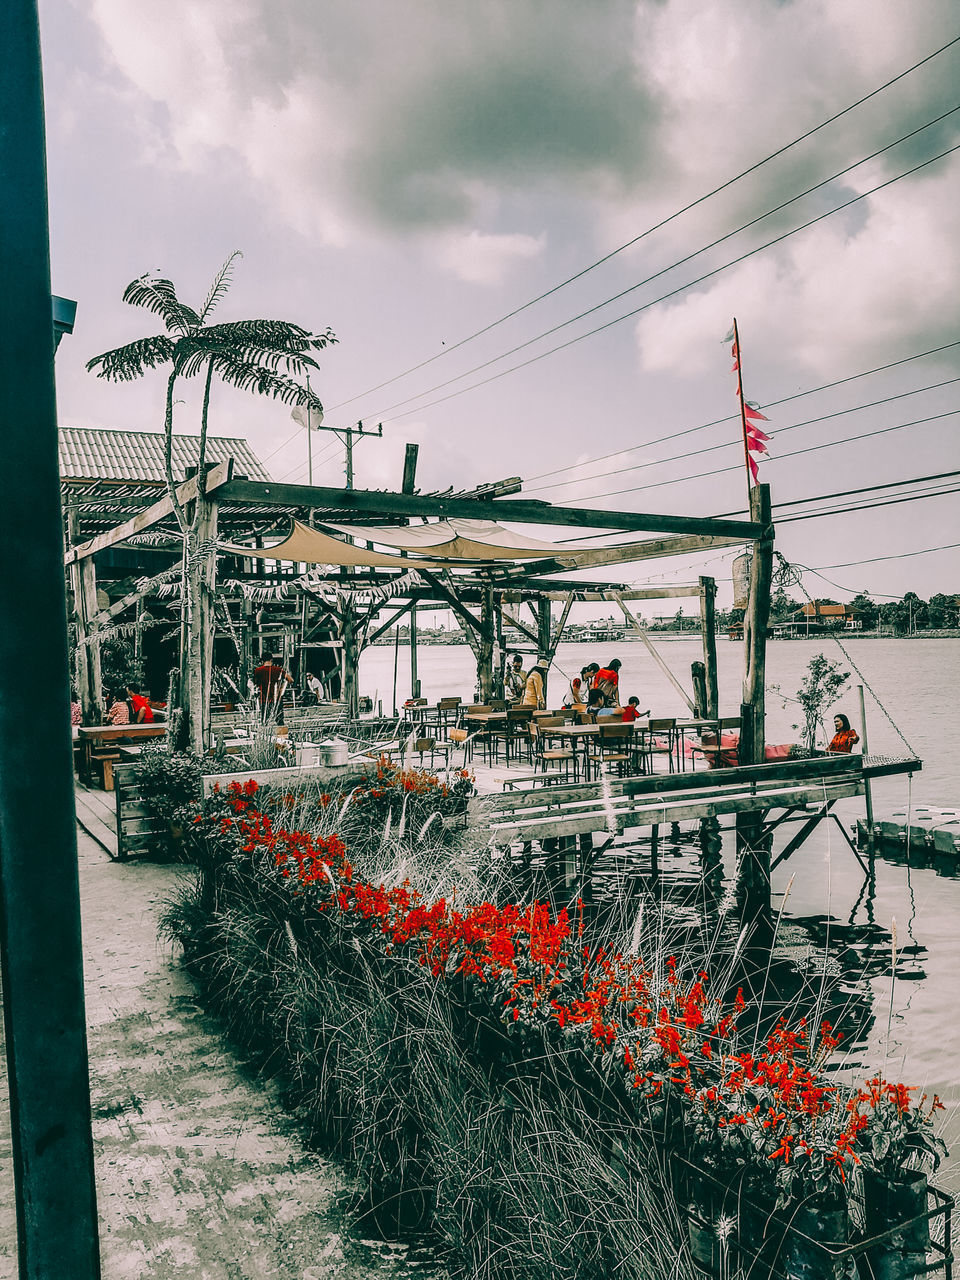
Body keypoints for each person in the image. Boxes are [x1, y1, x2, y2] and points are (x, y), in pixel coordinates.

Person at [253, 654, 293, 722]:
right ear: (271, 660)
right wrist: (282, 688)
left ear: (262, 661)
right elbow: (291, 680)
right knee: (279, 721)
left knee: (265, 722)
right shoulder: (278, 670)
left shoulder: (258, 671)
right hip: (277, 699)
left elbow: (255, 683)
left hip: (264, 700)